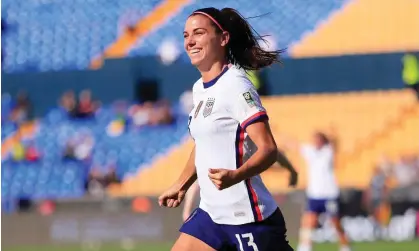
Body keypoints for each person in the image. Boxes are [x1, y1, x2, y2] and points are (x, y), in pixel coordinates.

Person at [158, 7, 293, 251]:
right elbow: (203, 145)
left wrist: (236, 175)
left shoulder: (236, 85)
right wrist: (181, 183)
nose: (190, 41)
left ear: (223, 38)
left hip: (248, 219)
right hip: (211, 216)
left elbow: (268, 149)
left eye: (198, 33)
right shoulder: (199, 88)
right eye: (186, 35)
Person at [182, 145, 299, 222]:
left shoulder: (244, 138)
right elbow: (197, 180)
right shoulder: (209, 146)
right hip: (215, 212)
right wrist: (187, 209)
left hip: (246, 210)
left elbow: (270, 150)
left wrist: (291, 170)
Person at [282, 132, 350, 251]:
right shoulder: (310, 151)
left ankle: (345, 246)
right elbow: (295, 146)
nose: (315, 142)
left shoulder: (328, 151)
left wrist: (332, 134)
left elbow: (335, 144)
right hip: (314, 194)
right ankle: (305, 246)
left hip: (329, 194)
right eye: (314, 140)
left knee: (336, 223)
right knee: (308, 221)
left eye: (318, 139)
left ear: (323, 141)